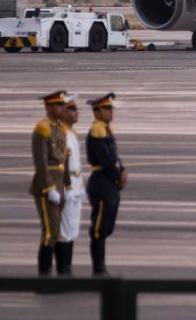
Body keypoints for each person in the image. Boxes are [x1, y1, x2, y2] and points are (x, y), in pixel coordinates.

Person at [86, 92, 126, 276]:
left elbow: (114, 157)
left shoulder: (106, 130)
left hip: (108, 181)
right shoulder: (98, 131)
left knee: (106, 225)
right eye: (107, 109)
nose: (111, 112)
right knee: (99, 228)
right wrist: (118, 174)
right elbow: (106, 159)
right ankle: (98, 268)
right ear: (98, 111)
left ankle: (100, 267)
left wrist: (122, 170)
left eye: (111, 108)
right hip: (102, 181)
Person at [31, 90, 68, 276]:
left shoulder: (59, 127)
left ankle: (57, 274)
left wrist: (67, 186)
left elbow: (64, 159)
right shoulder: (42, 128)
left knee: (56, 231)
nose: (63, 108)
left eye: (62, 105)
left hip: (59, 184)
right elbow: (41, 161)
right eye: (59, 105)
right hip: (47, 186)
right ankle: (44, 276)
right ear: (49, 107)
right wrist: (49, 187)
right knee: (49, 232)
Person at [58, 96, 84, 275]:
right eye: (72, 110)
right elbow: (61, 164)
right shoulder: (60, 134)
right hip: (66, 187)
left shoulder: (72, 134)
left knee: (72, 228)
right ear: (63, 112)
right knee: (63, 230)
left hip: (75, 187)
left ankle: (67, 268)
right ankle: (63, 271)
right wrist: (65, 186)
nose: (77, 113)